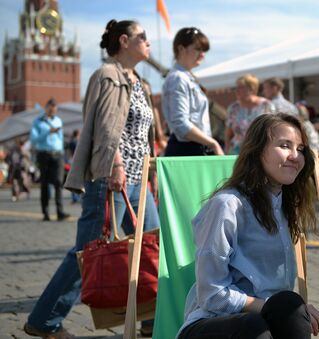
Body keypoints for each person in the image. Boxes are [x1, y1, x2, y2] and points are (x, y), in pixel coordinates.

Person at [24, 19, 161, 339]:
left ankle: (152, 319)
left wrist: (150, 169)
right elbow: (104, 125)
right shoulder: (107, 75)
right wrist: (115, 166)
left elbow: (142, 135)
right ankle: (44, 319)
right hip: (111, 177)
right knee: (88, 252)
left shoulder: (140, 82)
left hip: (140, 179)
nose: (148, 42)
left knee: (153, 246)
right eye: (143, 37)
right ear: (124, 41)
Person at [178, 113, 319, 339]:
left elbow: (277, 298)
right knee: (256, 327)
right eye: (285, 146)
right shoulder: (227, 206)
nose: (295, 156)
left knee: (291, 306)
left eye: (301, 149)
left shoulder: (284, 208)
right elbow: (210, 294)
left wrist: (297, 310)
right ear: (257, 151)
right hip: (212, 323)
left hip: (261, 320)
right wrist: (267, 307)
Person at [162, 27, 223, 156]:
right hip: (186, 150)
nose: (202, 54)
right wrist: (213, 144)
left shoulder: (186, 77)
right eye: (197, 49)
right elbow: (181, 124)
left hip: (193, 148)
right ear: (181, 49)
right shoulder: (178, 78)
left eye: (204, 50)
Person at [30, 98, 69, 221]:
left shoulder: (58, 121)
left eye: (54, 110)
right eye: (50, 109)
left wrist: (62, 151)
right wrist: (48, 132)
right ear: (46, 108)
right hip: (44, 155)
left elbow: (60, 138)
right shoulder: (37, 122)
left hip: (58, 155)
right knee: (45, 184)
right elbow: (34, 140)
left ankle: (60, 211)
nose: (52, 112)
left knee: (58, 182)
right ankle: (45, 212)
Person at [225, 74, 274, 154]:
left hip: (261, 149)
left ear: (252, 88)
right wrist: (226, 151)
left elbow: (273, 129)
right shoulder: (234, 108)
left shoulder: (266, 105)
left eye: (240, 87)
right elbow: (228, 134)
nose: (236, 90)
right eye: (236, 87)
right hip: (238, 151)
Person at [7, 137, 31, 201]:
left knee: (22, 181)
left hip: (22, 168)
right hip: (14, 168)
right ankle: (15, 194)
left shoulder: (23, 149)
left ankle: (24, 192)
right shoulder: (13, 150)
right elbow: (9, 158)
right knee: (14, 182)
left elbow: (28, 157)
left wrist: (23, 152)